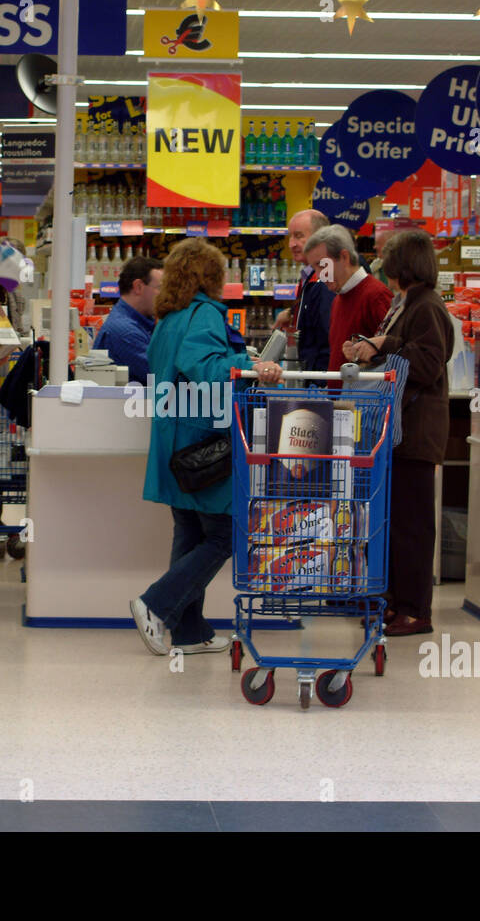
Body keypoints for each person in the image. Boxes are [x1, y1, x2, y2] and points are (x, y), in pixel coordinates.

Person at [131, 238, 283, 656]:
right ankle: (155, 604)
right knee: (224, 536)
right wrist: (252, 366)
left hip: (174, 437)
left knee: (191, 532)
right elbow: (204, 367)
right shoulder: (204, 315)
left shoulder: (170, 317)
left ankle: (188, 631)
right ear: (211, 277)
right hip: (202, 442)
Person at [343, 229, 454, 637]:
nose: (383, 267)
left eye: (389, 261)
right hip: (399, 431)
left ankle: (415, 609)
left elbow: (426, 365)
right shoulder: (407, 303)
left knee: (413, 526)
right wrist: (377, 343)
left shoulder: (427, 306)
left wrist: (382, 348)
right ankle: (394, 601)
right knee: (396, 521)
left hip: (416, 432)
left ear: (404, 264)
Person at [304, 224, 392, 376]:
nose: (318, 275)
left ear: (344, 257)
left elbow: (394, 359)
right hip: (342, 397)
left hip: (364, 398)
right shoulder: (338, 299)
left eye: (321, 265)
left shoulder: (376, 296)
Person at [273, 210, 332, 373]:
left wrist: (319, 383)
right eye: (290, 236)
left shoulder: (326, 278)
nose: (291, 244)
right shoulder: (311, 273)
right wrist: (293, 312)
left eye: (299, 236)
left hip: (320, 378)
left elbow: (327, 338)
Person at [94, 255, 161, 385]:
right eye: (160, 288)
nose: (166, 294)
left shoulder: (139, 323)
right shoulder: (125, 332)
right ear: (138, 287)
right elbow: (164, 375)